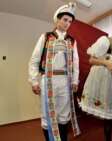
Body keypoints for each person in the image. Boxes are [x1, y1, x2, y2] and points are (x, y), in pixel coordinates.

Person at [28, 2, 80, 141]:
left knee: (64, 115)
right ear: (57, 19)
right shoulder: (45, 37)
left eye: (69, 21)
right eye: (64, 19)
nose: (67, 23)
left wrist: (75, 80)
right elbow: (34, 59)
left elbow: (76, 62)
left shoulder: (71, 41)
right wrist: (33, 81)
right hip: (47, 79)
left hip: (65, 80)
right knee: (47, 114)